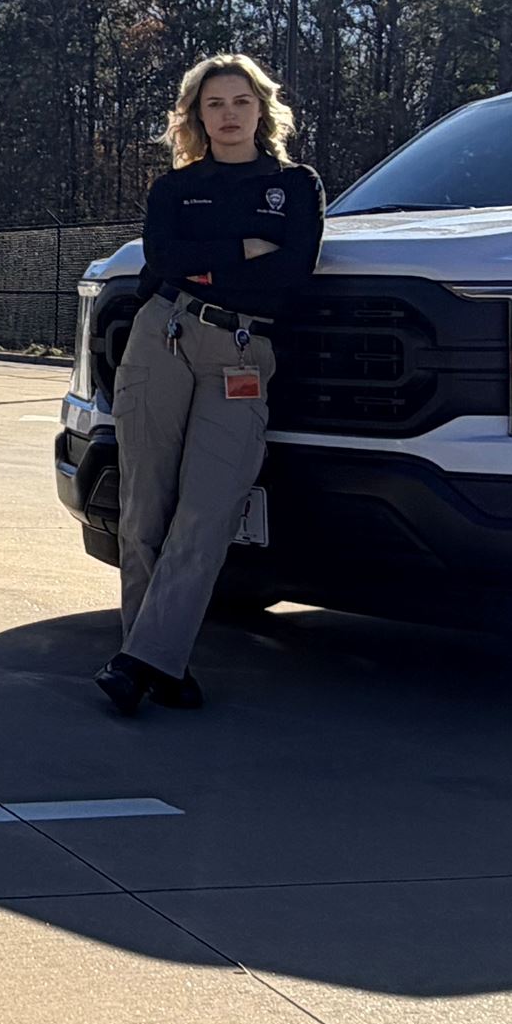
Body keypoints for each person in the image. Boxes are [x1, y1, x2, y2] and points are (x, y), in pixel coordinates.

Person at [96, 52, 322, 716]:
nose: (228, 115)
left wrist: (211, 259)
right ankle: (156, 661)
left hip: (243, 351)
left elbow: (291, 276)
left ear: (263, 108)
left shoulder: (295, 184)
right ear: (196, 115)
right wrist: (246, 247)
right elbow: (166, 260)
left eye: (241, 102)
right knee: (144, 507)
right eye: (214, 104)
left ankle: (138, 660)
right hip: (161, 334)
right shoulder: (174, 189)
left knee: (210, 507)